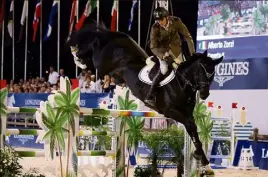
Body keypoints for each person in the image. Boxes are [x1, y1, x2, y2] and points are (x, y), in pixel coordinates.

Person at [144, 7, 195, 107]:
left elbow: (188, 37)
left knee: (183, 70)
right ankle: (150, 95)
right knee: (164, 69)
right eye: (157, 20)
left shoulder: (176, 21)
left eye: (161, 20)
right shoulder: (155, 28)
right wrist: (163, 56)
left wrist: (192, 54)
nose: (159, 22)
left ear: (167, 17)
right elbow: (153, 46)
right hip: (162, 52)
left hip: (176, 50)